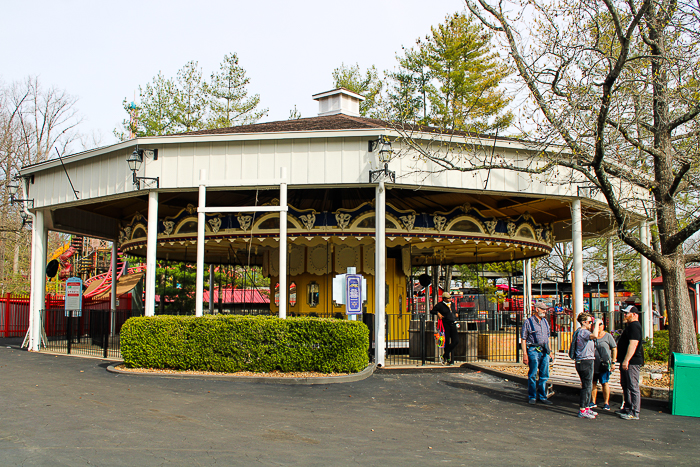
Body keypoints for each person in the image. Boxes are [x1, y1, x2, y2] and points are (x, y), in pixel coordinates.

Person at [521, 302, 554, 405]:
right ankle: (532, 396)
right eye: (542, 309)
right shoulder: (528, 322)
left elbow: (547, 338)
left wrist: (550, 351)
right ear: (536, 309)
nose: (544, 311)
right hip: (533, 349)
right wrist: (525, 354)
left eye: (545, 309)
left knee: (544, 374)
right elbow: (523, 339)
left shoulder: (545, 322)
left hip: (544, 350)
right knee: (533, 374)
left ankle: (542, 396)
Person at [616, 305, 644, 420]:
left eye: (627, 313)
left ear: (634, 314)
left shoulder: (635, 326)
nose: (625, 315)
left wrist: (627, 360)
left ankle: (634, 412)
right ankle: (627, 407)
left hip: (632, 361)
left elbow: (633, 344)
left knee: (633, 386)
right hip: (626, 360)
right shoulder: (630, 326)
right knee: (625, 384)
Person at [572, 312, 602, 419]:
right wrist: (597, 324)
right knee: (586, 386)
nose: (591, 324)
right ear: (584, 322)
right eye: (590, 322)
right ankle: (582, 409)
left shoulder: (582, 332)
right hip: (585, 361)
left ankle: (586, 407)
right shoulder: (583, 332)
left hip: (586, 360)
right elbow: (594, 336)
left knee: (588, 385)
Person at [590, 320, 617, 410]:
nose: (598, 327)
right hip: (594, 363)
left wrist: (613, 362)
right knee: (593, 382)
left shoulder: (608, 336)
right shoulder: (592, 336)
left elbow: (614, 348)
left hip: (604, 363)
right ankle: (593, 401)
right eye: (596, 325)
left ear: (603, 326)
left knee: (604, 382)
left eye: (599, 325)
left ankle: (606, 402)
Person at [431, 292, 459, 365]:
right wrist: (438, 313)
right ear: (444, 299)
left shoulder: (452, 304)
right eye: (448, 298)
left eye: (450, 298)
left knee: (456, 341)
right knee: (446, 341)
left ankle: (445, 355)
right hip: (445, 324)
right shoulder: (440, 305)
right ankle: (448, 357)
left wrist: (455, 314)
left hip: (453, 323)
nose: (450, 299)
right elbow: (432, 311)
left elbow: (453, 311)